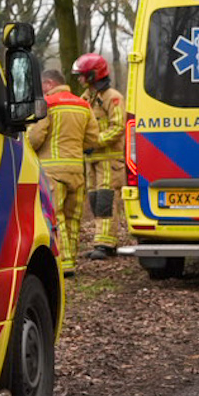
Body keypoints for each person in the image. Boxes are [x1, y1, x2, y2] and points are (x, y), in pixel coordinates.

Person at [27, 67, 99, 274]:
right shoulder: (83, 104)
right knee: (73, 218)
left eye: (42, 85)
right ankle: (71, 261)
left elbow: (35, 137)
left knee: (55, 216)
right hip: (76, 170)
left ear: (49, 83)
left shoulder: (47, 104)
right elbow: (93, 139)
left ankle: (63, 263)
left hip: (52, 171)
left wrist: (27, 148)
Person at [73, 52, 127, 260]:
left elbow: (118, 127)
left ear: (93, 75)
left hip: (109, 160)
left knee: (106, 200)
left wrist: (94, 142)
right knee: (95, 200)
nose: (79, 79)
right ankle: (101, 240)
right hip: (92, 159)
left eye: (82, 75)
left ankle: (105, 243)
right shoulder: (86, 98)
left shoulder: (113, 97)